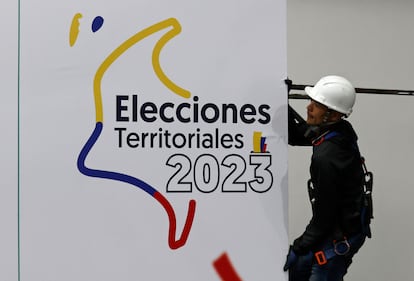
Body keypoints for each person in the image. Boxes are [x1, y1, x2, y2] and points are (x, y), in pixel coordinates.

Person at [283, 75, 372, 281]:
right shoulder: (339, 130)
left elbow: (325, 216)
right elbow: (297, 135)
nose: (309, 108)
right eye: (312, 101)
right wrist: (279, 101)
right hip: (343, 228)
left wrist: (298, 247)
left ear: (331, 114)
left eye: (317, 105)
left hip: (337, 237)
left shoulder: (328, 157)